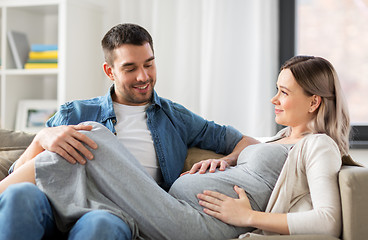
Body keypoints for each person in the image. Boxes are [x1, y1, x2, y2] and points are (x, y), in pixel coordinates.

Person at [0, 55, 350, 239]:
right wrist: (227, 161)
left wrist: (248, 217)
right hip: (172, 207)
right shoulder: (278, 140)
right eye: (276, 88)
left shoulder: (318, 145)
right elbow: (248, 156)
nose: (273, 99)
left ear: (314, 101)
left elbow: (328, 222)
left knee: (92, 133)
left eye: (284, 93)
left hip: (195, 224)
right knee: (87, 136)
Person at [0, 23, 257, 240]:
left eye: (149, 64)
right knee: (18, 194)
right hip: (57, 201)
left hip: (113, 212)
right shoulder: (75, 113)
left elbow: (246, 141)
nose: (143, 76)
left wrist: (224, 160)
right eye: (130, 68)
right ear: (109, 71)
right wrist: (40, 139)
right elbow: (23, 172)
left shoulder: (176, 118)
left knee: (101, 226)